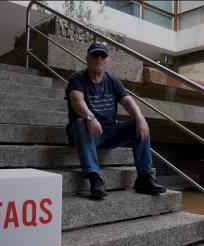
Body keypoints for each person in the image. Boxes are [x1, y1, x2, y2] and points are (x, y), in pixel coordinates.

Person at [65, 42, 166, 199]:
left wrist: (140, 118)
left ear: (106, 61)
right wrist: (90, 117)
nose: (99, 58)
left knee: (138, 125)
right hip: (86, 133)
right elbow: (76, 100)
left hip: (109, 132)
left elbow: (127, 101)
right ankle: (94, 178)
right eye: (95, 55)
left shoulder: (112, 80)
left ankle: (144, 177)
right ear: (87, 58)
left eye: (103, 56)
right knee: (79, 123)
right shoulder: (77, 78)